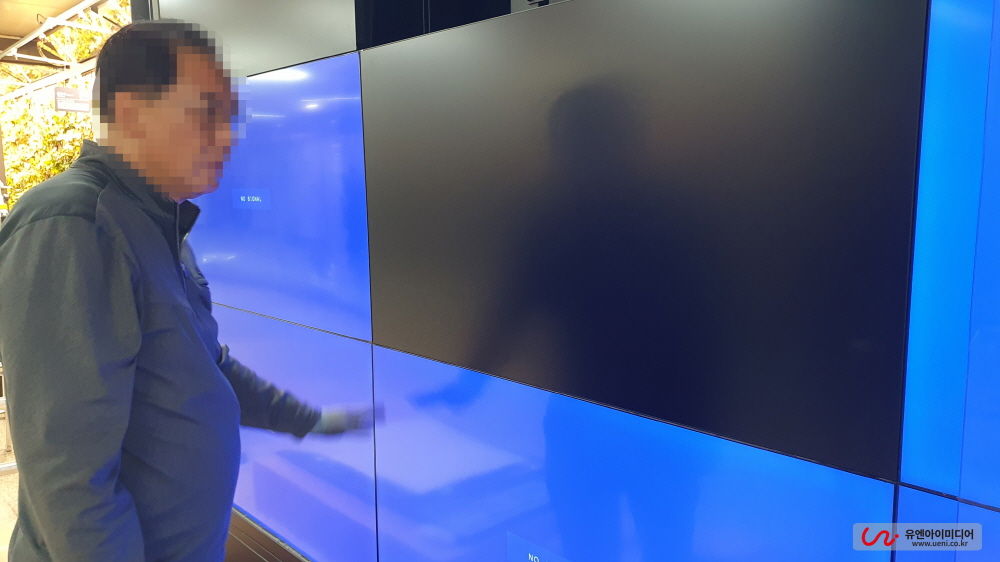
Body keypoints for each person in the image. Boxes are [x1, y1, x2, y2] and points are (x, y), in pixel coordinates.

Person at [0, 21, 381, 562]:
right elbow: (71, 483)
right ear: (132, 111)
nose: (227, 136)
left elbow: (205, 365)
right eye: (207, 113)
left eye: (228, 116)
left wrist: (308, 421)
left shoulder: (158, 223)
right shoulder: (74, 224)